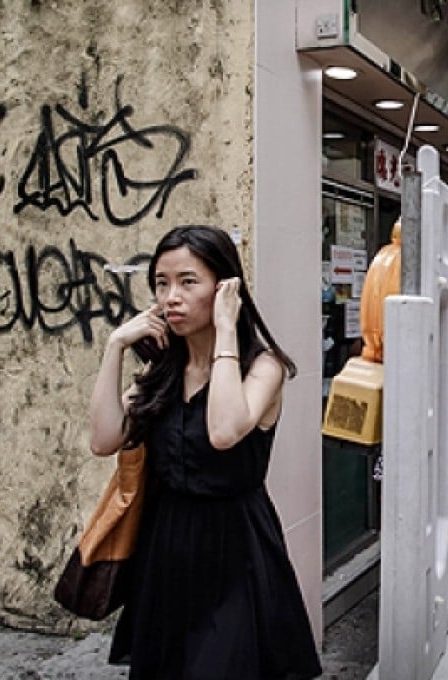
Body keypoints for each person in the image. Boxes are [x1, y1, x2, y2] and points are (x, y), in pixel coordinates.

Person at [89, 225, 322, 679]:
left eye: (188, 281)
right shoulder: (162, 371)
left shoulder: (264, 366)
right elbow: (102, 441)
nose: (171, 296)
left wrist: (225, 331)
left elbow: (224, 431)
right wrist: (115, 346)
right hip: (168, 542)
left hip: (237, 545)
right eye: (161, 282)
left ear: (223, 288)